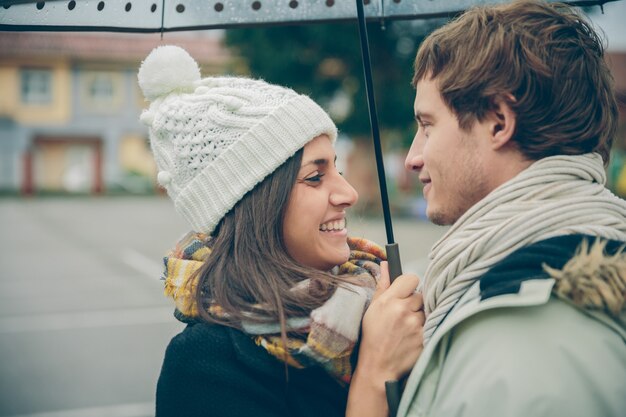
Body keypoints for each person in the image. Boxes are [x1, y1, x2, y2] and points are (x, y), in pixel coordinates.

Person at [137, 45, 424, 417]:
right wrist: (373, 376)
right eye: (316, 177)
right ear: (256, 205)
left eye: (336, 168)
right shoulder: (205, 367)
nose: (349, 193)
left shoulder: (376, 307)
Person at [395, 1, 626, 416]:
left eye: (427, 125)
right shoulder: (586, 256)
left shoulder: (520, 346)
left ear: (498, 123)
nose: (413, 157)